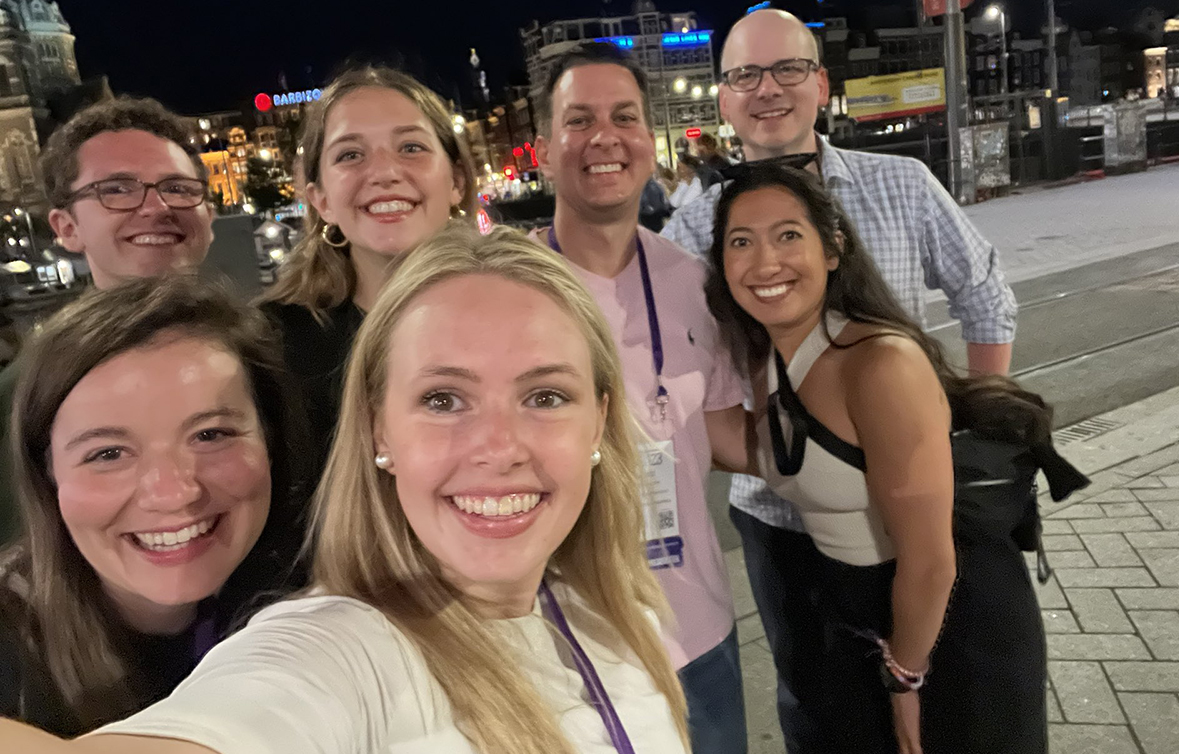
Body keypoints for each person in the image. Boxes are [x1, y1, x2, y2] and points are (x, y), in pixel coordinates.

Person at [0, 223, 691, 752]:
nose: (499, 447)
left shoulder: (623, 613)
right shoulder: (338, 648)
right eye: (445, 400)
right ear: (376, 430)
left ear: (600, 418)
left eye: (545, 395)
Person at [661, 9, 1019, 749]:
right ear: (724, 99)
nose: (768, 90)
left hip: (910, 510)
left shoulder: (902, 184)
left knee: (944, 702)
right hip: (780, 506)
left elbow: (986, 295)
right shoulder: (693, 229)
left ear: (820, 84)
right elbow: (661, 369)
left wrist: (969, 433)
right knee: (819, 704)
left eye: (788, 69)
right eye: (744, 76)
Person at [708, 165, 1082, 753]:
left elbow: (932, 562)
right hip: (867, 625)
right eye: (740, 242)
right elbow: (766, 454)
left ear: (832, 250)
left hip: (950, 632)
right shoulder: (772, 359)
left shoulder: (878, 364)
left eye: (787, 235)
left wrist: (905, 681)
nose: (765, 262)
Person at [531, 42, 751, 754]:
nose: (605, 136)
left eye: (624, 116)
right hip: (565, 652)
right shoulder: (511, 289)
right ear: (544, 148)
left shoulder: (690, 278)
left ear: (648, 143)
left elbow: (722, 437)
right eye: (579, 119)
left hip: (700, 636)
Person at [0, 275, 309, 736]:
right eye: (107, 454)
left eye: (211, 435)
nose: (174, 492)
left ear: (271, 440)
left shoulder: (322, 590)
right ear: (47, 475)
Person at [0, 96, 218, 546]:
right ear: (66, 228)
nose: (155, 207)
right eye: (116, 189)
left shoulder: (272, 353)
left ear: (209, 217)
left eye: (177, 187)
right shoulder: (24, 396)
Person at [259, 66, 477, 455]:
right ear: (321, 199)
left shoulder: (516, 319)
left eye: (411, 147)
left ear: (457, 181)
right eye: (350, 154)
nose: (384, 172)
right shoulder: (271, 350)